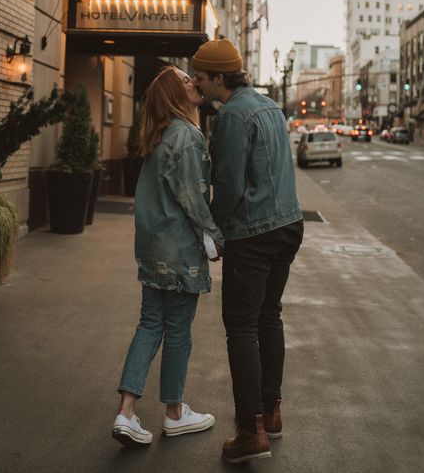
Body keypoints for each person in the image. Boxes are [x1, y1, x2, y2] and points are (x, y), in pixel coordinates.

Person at [192, 39, 304, 464]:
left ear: (219, 77)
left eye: (201, 77)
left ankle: (249, 431)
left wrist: (213, 232)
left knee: (241, 328)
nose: (199, 85)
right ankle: (271, 414)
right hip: (287, 226)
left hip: (253, 235)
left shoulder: (232, 116)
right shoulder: (271, 106)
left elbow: (231, 186)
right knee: (267, 316)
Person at [112, 66, 224, 447]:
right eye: (184, 81)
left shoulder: (158, 137)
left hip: (152, 249)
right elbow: (193, 196)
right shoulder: (187, 137)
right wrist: (213, 237)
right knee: (177, 332)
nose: (193, 82)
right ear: (174, 97)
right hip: (179, 250)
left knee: (149, 325)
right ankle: (175, 415)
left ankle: (126, 412)